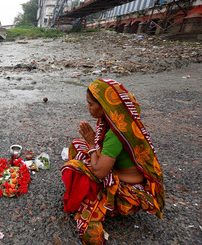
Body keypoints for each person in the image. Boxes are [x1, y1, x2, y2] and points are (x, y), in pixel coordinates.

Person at [61, 79, 165, 245]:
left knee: (74, 168)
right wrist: (91, 146)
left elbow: (100, 172)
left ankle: (100, 208)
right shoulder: (122, 120)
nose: (88, 108)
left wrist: (93, 144)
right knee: (77, 145)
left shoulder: (115, 133)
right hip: (120, 173)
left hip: (128, 189)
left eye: (90, 104)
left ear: (104, 105)